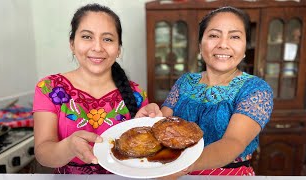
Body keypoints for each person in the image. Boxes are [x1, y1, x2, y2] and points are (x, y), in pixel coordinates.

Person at [136, 6, 273, 177]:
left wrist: (180, 169)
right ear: (200, 45)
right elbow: (162, 128)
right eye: (214, 35)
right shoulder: (185, 82)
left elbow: (233, 142)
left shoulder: (256, 89)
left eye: (235, 36)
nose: (223, 44)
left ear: (246, 47)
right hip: (173, 171)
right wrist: (150, 115)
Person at [32, 3, 148, 174]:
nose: (97, 47)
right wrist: (69, 147)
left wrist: (151, 126)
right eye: (87, 37)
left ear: (119, 49)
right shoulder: (50, 88)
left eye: (107, 39)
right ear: (72, 43)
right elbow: (43, 153)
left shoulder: (136, 94)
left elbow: (143, 156)